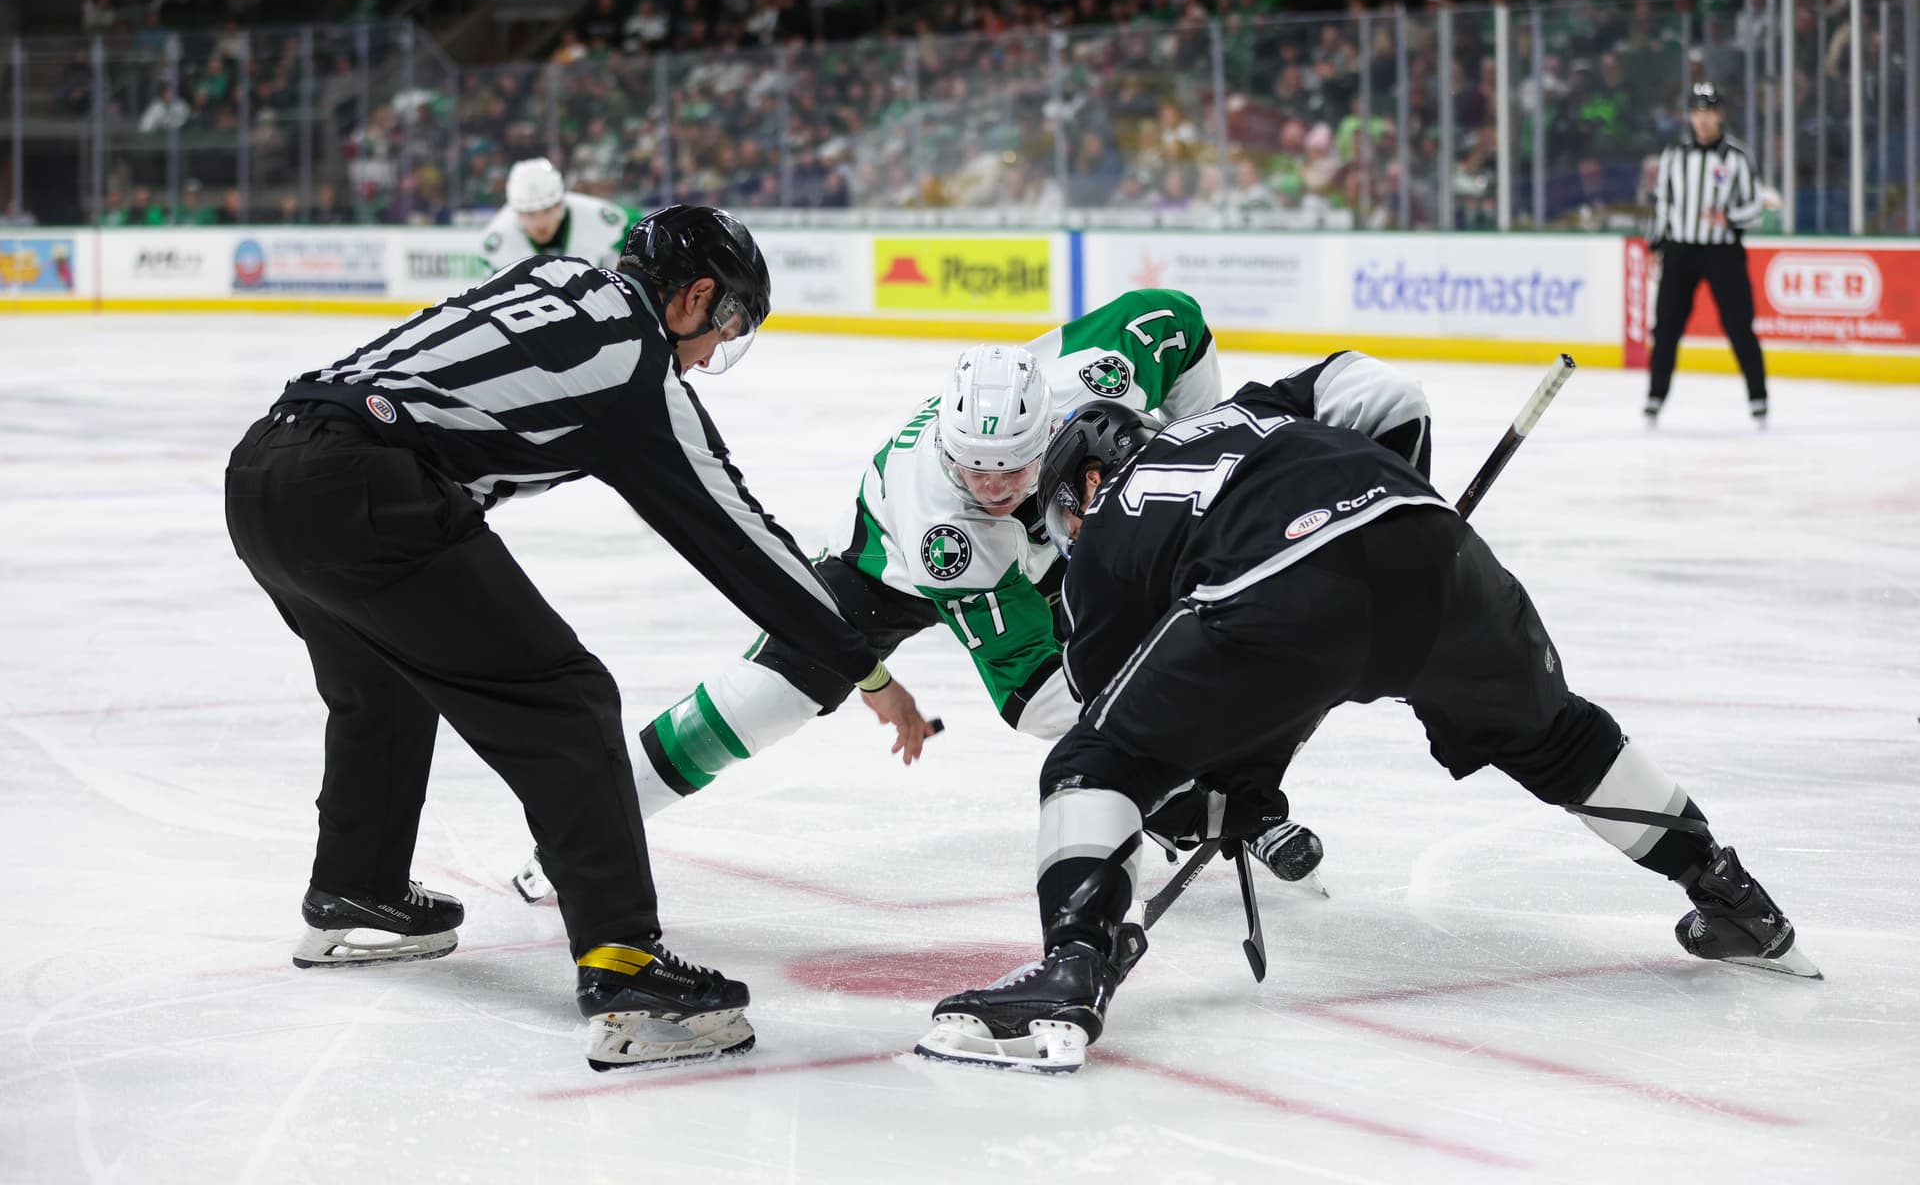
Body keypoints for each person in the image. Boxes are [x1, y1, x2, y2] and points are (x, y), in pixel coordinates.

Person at [918, 363, 1817, 1074]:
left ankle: (1072, 965)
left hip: (1278, 592)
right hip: (1442, 552)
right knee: (1557, 736)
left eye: (1063, 512)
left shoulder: (1107, 535)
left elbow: (1122, 725)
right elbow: (1387, 392)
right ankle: (1729, 893)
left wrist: (1212, 794)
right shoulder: (1254, 412)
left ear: (1083, 477)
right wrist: (1384, 544)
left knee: (1090, 765)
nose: (1068, 532)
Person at [224, 205, 932, 1070]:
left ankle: (355, 892)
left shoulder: (554, 278)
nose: (714, 352)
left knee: (380, 689)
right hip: (364, 489)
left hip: (267, 464)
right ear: (695, 296)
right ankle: (626, 970)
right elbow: (737, 539)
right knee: (568, 703)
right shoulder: (634, 368)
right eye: (728, 325)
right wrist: (865, 666)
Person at [509, 291, 1326, 906]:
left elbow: (1172, 319)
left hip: (1059, 530)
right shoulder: (951, 526)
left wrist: (1195, 448)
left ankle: (1202, 787)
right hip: (885, 574)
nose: (996, 486)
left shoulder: (1099, 378)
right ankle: (577, 841)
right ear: (948, 445)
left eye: (1012, 467)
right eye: (977, 468)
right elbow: (1034, 693)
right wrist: (1178, 752)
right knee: (759, 705)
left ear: (1051, 426)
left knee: (1150, 633)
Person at [1646, 82, 1768, 425]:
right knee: (1666, 328)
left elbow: (1756, 210)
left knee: (1739, 325)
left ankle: (1758, 399)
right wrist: (1656, 244)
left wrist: (1728, 218)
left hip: (1723, 252)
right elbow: (1663, 205)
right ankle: (1655, 397)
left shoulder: (1738, 158)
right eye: (1697, 113)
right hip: (1680, 250)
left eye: (1708, 112)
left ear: (1720, 115)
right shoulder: (1673, 156)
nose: (1702, 120)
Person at [480, 156, 640, 273]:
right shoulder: (499, 238)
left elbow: (638, 224)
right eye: (530, 214)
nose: (541, 223)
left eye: (547, 210)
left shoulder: (598, 217)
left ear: (560, 203)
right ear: (515, 212)